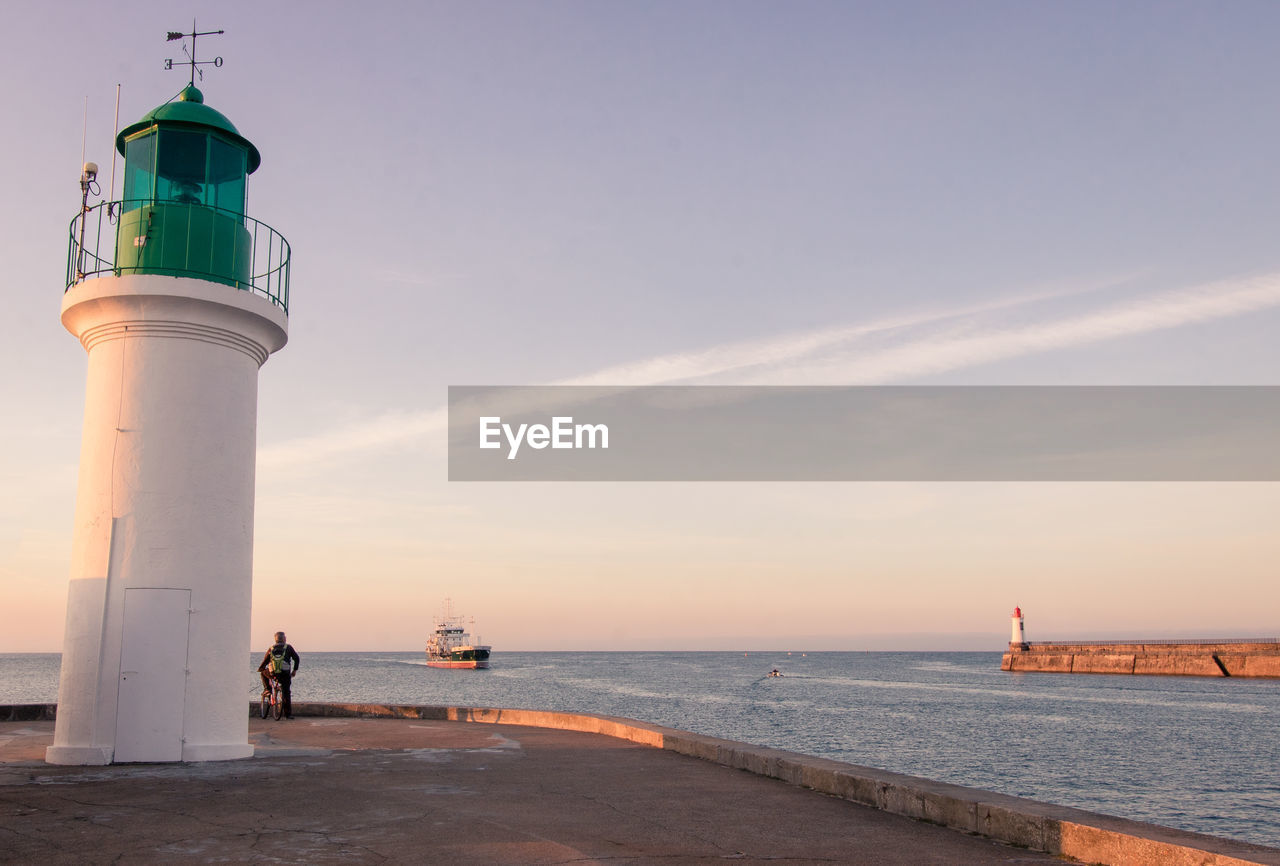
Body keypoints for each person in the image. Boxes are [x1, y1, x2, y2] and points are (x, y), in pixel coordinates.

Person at [258, 631, 301, 719]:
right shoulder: (288, 647)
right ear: (284, 639)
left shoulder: (271, 648)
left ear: (276, 639)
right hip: (285, 674)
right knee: (286, 692)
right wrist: (294, 670)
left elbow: (265, 660)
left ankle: (267, 690)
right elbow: (296, 658)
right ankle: (288, 715)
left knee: (263, 673)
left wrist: (261, 669)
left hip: (273, 673)